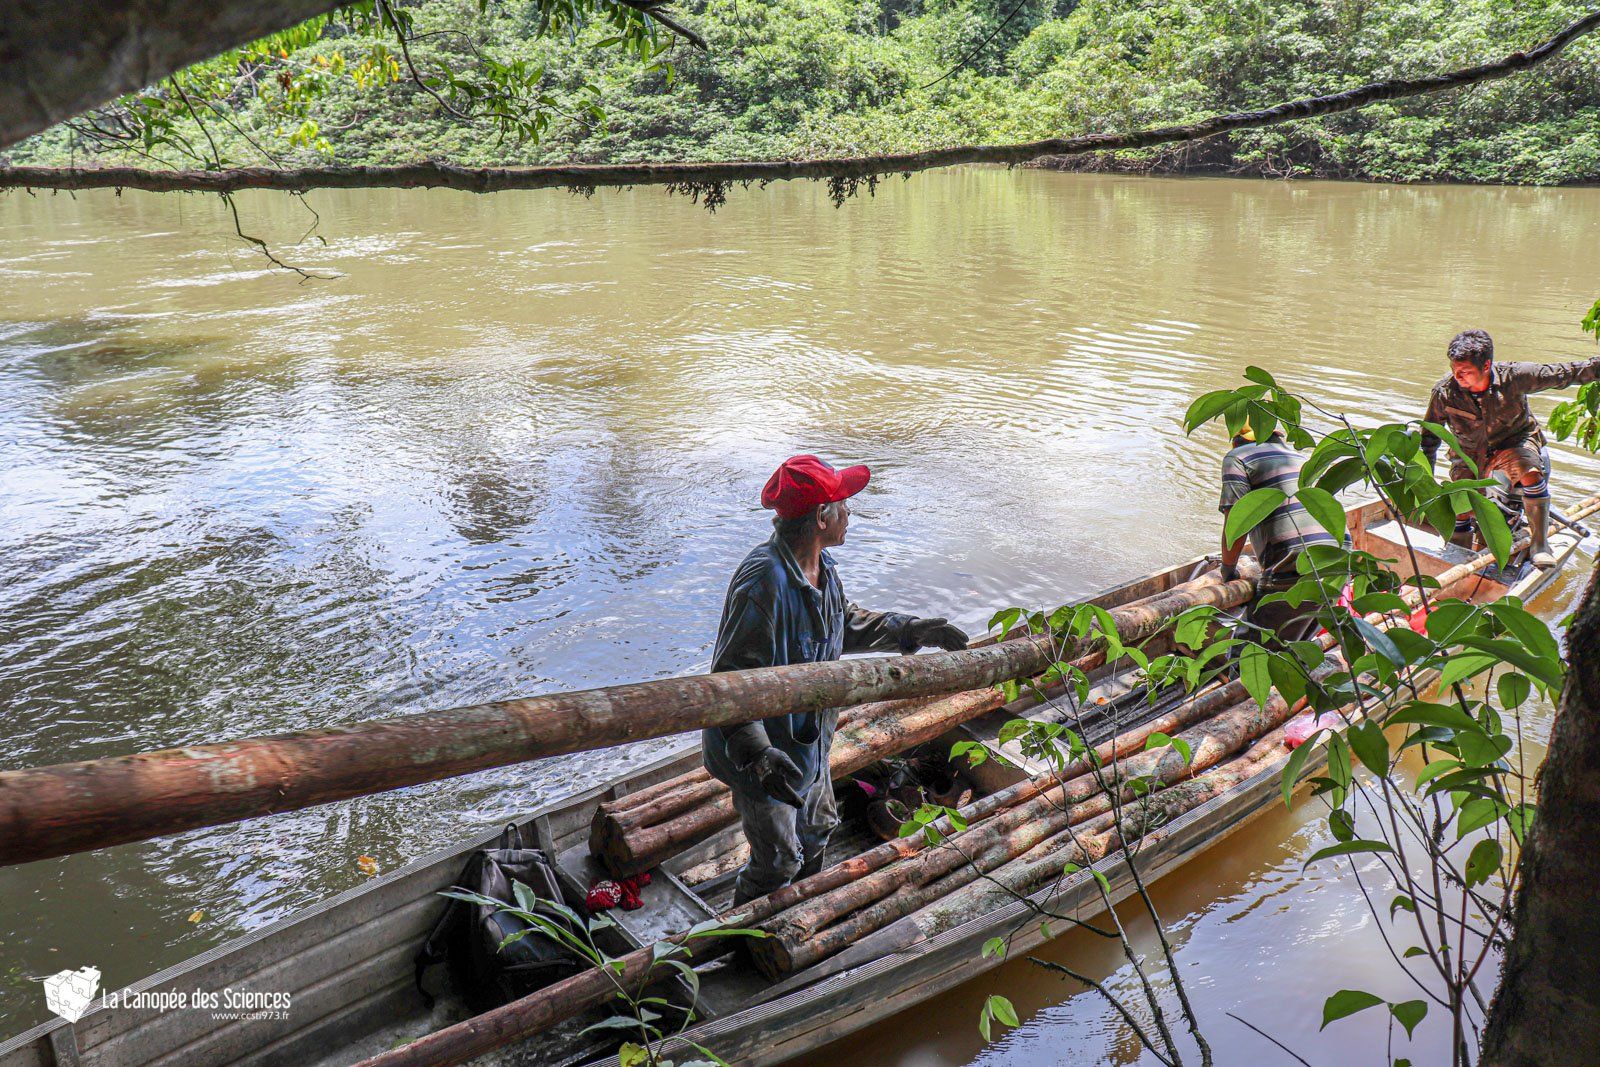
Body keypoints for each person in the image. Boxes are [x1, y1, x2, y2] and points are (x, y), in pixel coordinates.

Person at [703, 455, 969, 905]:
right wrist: (759, 756)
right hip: (760, 752)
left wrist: (911, 630)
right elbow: (731, 681)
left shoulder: (821, 570)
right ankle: (745, 942)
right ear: (822, 517)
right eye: (845, 505)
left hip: (808, 743)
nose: (851, 515)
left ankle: (802, 910)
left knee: (820, 827)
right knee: (778, 860)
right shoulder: (763, 582)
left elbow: (844, 625)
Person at [1420, 329, 1600, 566]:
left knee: (1528, 470)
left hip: (1515, 443)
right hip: (1470, 454)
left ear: (1486, 366)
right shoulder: (1444, 392)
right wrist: (1426, 483)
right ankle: (1456, 550)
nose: (1458, 376)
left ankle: (1539, 544)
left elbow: (1565, 373)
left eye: (1465, 372)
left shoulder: (1515, 377)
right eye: (1455, 370)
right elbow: (1429, 438)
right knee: (1461, 502)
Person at [1218, 421, 1337, 646]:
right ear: (1278, 435)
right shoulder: (1299, 458)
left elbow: (1235, 525)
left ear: (1235, 439)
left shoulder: (1237, 457)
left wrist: (1228, 570)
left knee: (1248, 655)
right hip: (1337, 565)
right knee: (1294, 649)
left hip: (1294, 570)